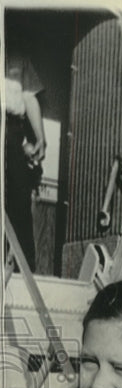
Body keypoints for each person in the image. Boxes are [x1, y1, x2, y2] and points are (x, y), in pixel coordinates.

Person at [4, 47, 46, 270]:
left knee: (20, 198)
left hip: (12, 130)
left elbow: (29, 96)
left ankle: (25, 269)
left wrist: (40, 137)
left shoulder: (20, 55)